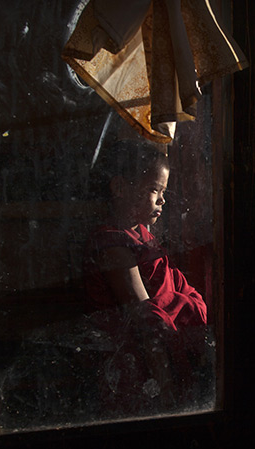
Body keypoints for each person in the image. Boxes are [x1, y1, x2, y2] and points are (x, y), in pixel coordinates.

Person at [83, 140, 209, 415]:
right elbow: (144, 317)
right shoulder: (113, 246)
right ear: (119, 188)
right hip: (139, 359)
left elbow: (176, 285)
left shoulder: (143, 235)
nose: (162, 200)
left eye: (163, 191)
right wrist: (166, 388)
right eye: (154, 189)